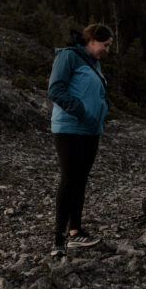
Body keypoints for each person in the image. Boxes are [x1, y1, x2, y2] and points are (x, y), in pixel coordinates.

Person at [48, 24, 113, 257]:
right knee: (69, 179)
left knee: (81, 180)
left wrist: (104, 107)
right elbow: (55, 89)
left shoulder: (93, 62)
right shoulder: (69, 57)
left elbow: (94, 91)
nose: (107, 50)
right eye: (105, 45)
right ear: (93, 40)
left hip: (90, 130)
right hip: (69, 128)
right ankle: (58, 239)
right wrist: (82, 110)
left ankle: (75, 232)